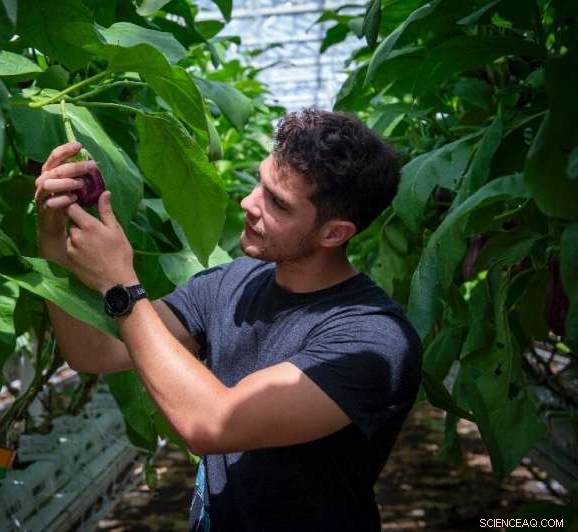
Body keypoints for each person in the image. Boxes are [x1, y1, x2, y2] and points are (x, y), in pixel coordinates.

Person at [33, 109, 422, 531]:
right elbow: (94, 350)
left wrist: (121, 285)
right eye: (261, 182)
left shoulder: (373, 339)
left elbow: (213, 423)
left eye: (277, 202)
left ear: (334, 233)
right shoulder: (230, 283)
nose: (248, 203)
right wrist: (52, 238)